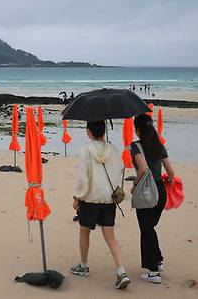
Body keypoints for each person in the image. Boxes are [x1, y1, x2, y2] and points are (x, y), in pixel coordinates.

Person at [71, 120, 130, 290]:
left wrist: (77, 197)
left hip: (90, 199)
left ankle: (83, 265)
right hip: (109, 199)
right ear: (104, 130)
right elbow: (120, 170)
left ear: (89, 131)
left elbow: (83, 178)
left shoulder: (84, 151)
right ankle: (121, 271)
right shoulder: (114, 149)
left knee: (84, 232)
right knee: (110, 237)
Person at [130, 114, 175, 284]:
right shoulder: (159, 145)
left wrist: (134, 185)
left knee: (146, 229)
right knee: (149, 228)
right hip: (160, 192)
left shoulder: (135, 146)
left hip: (146, 192)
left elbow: (142, 169)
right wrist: (169, 180)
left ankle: (153, 272)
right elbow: (170, 172)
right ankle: (158, 260)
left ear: (138, 129)